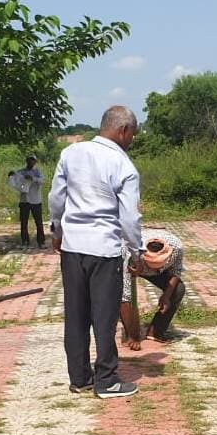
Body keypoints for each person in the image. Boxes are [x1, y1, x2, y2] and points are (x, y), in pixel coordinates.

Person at [49, 106, 143, 399]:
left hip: (72, 247)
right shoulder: (123, 165)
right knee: (104, 316)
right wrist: (136, 252)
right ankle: (107, 380)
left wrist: (57, 230)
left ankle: (79, 377)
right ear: (123, 131)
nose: (131, 142)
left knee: (75, 315)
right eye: (132, 136)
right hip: (104, 249)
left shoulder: (71, 153)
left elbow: (56, 197)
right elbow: (129, 218)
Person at [118, 228, 186, 350]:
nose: (154, 269)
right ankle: (129, 333)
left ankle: (155, 332)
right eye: (152, 266)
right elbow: (125, 295)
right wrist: (133, 336)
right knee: (120, 295)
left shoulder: (176, 247)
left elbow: (176, 271)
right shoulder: (129, 252)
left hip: (155, 269)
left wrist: (166, 296)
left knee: (179, 289)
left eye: (158, 266)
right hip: (135, 266)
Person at [8, 154, 46, 248]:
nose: (30, 162)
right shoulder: (21, 172)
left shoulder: (37, 172)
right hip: (24, 200)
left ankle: (41, 242)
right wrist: (12, 175)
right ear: (26, 161)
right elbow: (15, 179)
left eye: (32, 160)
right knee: (24, 222)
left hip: (36, 200)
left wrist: (32, 178)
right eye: (29, 160)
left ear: (35, 162)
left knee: (39, 222)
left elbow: (42, 181)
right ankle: (25, 241)